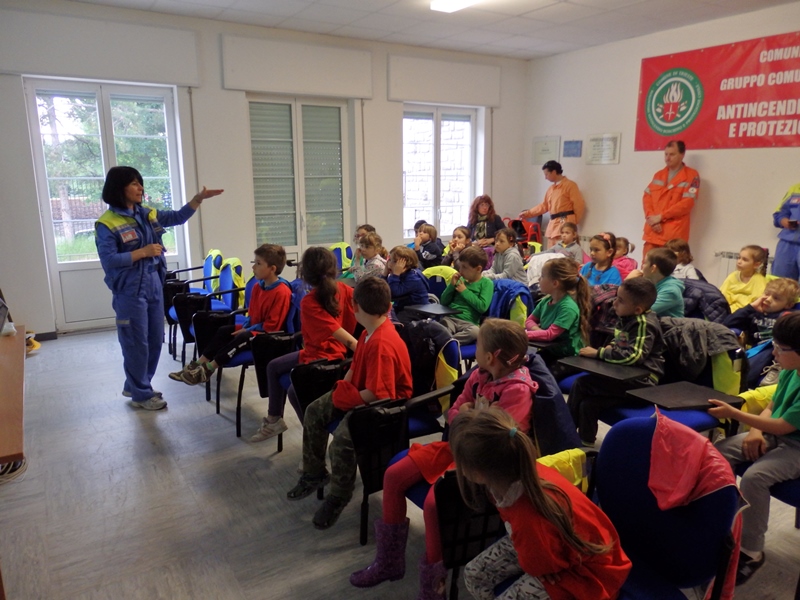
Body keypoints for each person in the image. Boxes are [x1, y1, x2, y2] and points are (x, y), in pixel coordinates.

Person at [350, 319, 535, 599]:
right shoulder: (479, 375)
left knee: (435, 503)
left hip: (485, 464)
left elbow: (496, 443)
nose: (474, 348)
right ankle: (390, 562)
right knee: (394, 475)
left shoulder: (517, 390)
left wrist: (469, 416)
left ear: (490, 356)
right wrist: (470, 417)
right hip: (458, 447)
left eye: (479, 345)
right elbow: (453, 413)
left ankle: (434, 586)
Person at [450, 407, 631, 600]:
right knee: (474, 575)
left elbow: (539, 565)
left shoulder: (529, 515)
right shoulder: (514, 474)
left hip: (588, 575)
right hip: (554, 551)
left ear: (477, 474)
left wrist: (541, 566)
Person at [286, 277, 412, 530]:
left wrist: (348, 399)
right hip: (364, 393)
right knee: (314, 411)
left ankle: (339, 495)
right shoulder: (367, 332)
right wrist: (342, 389)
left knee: (342, 442)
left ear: (354, 306)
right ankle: (314, 472)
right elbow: (354, 368)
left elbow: (380, 394)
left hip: (385, 407)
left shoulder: (382, 343)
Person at [95, 165, 222, 410]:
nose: (140, 188)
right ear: (119, 188)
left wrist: (198, 199)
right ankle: (141, 394)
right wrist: (142, 252)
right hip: (129, 289)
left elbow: (177, 217)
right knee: (136, 343)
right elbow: (109, 260)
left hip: (154, 283)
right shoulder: (107, 223)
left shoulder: (147, 213)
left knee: (155, 339)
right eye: (134, 183)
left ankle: (137, 385)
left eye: (140, 182)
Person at [709, 312, 800, 585]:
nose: (774, 352)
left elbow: (783, 426)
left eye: (780, 348)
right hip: (776, 433)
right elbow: (772, 405)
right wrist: (755, 430)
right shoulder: (790, 370)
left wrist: (735, 414)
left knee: (755, 477)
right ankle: (719, 520)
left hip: (796, 447)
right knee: (719, 452)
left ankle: (752, 550)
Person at [250, 246, 358, 442]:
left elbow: (341, 335)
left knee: (294, 390)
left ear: (304, 273)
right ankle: (274, 420)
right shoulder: (345, 290)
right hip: (323, 352)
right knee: (273, 367)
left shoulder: (310, 301)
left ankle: (314, 439)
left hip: (324, 358)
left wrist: (363, 350)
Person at [169, 244, 291, 385]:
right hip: (255, 330)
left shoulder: (282, 292)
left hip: (269, 336)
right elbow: (252, 315)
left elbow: (272, 326)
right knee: (224, 330)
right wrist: (246, 327)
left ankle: (208, 370)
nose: (253, 267)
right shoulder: (258, 287)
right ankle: (198, 364)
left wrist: (248, 330)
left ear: (272, 269)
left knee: (243, 337)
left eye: (258, 263)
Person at [569, 278, 665, 445]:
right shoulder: (627, 316)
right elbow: (621, 341)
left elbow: (633, 356)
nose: (614, 303)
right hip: (625, 376)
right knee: (588, 404)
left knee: (581, 384)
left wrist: (599, 353)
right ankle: (585, 443)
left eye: (620, 300)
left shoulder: (643, 324)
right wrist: (610, 347)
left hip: (643, 383)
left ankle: (565, 433)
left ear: (638, 309)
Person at [724, 278, 799, 389]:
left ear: (788, 305)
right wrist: (750, 307)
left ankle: (772, 372)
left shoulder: (788, 316)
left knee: (775, 344)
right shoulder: (754, 313)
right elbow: (726, 324)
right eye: (766, 294)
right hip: (756, 351)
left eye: (776, 298)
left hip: (775, 352)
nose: (768, 299)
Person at [526, 257, 591, 367]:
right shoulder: (546, 300)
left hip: (568, 357)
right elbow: (530, 320)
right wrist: (539, 331)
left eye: (542, 276)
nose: (539, 279)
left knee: (534, 369)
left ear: (555, 283)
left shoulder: (568, 308)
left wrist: (524, 335)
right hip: (551, 350)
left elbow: (550, 335)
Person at [641, 140, 700, 259]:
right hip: (653, 233)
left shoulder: (691, 175)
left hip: (673, 236)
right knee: (647, 266)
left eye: (672, 154)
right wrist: (651, 218)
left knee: (670, 267)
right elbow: (647, 197)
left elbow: (687, 204)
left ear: (682, 154)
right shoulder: (659, 175)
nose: (667, 158)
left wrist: (661, 217)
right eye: (666, 154)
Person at [519, 160, 586, 248]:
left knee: (563, 252)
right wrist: (528, 213)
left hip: (565, 224)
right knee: (550, 252)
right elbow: (544, 206)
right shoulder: (551, 189)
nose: (545, 178)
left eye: (546, 174)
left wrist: (573, 222)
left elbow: (579, 204)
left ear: (554, 172)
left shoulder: (570, 185)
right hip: (553, 225)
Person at [440, 246, 493, 344]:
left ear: (478, 269)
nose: (460, 270)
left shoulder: (486, 283)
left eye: (464, 267)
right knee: (442, 325)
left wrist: (464, 291)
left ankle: (447, 342)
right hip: (450, 318)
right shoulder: (460, 279)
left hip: (469, 323)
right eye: (460, 266)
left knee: (475, 332)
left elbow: (482, 307)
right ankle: (447, 342)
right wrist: (451, 286)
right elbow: (443, 302)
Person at [626, 247, 684, 318]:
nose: (642, 266)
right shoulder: (650, 283)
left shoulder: (671, 291)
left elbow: (639, 312)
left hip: (666, 325)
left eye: (644, 263)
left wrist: (627, 282)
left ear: (653, 268)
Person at [384, 245, 430, 323]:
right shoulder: (401, 274)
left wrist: (395, 275)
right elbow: (382, 291)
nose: (389, 264)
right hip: (403, 307)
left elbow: (393, 293)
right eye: (390, 260)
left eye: (394, 261)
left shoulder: (414, 278)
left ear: (405, 264)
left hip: (417, 310)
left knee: (396, 322)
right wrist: (384, 274)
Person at [720, 245, 768, 312]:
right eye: (739, 258)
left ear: (756, 265)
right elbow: (722, 294)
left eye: (745, 260)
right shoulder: (732, 276)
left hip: (747, 313)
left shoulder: (760, 281)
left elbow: (757, 301)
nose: (739, 261)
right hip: (728, 310)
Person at [772, 183, 800, 279]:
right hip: (787, 243)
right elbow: (779, 213)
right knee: (779, 283)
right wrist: (784, 221)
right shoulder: (795, 188)